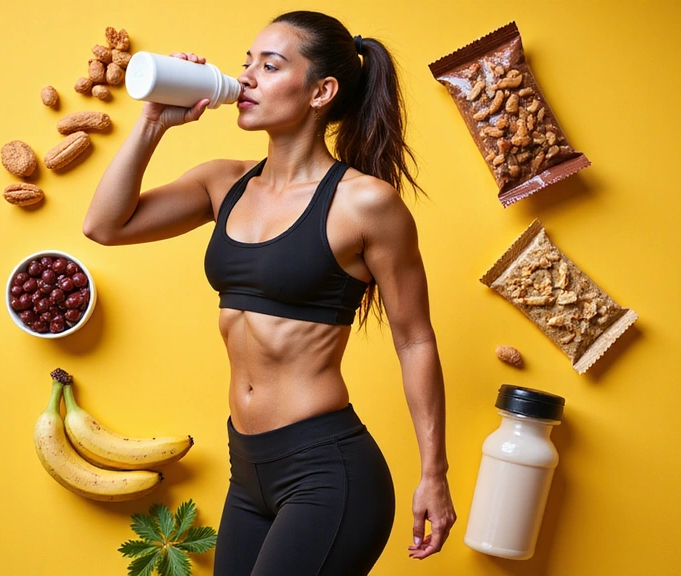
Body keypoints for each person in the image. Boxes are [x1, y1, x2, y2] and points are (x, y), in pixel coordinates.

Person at [84, 10, 455, 576]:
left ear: (321, 92)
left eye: (271, 65)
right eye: (247, 62)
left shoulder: (365, 203)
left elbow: (415, 340)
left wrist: (434, 474)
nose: (247, 77)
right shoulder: (222, 183)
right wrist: (153, 121)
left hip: (326, 471)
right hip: (249, 472)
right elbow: (105, 226)